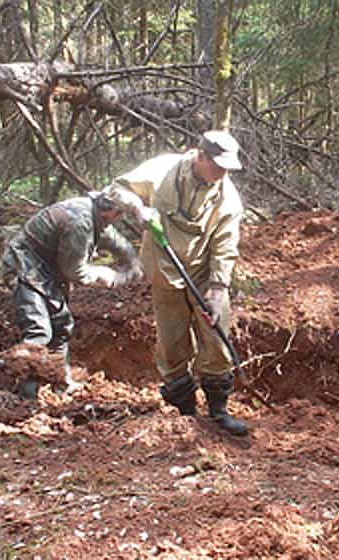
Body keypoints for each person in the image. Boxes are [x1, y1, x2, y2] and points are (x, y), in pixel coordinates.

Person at [103, 130, 248, 436]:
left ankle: (218, 411)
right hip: (163, 270)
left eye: (227, 168)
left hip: (204, 274)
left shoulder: (228, 200)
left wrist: (218, 289)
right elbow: (116, 189)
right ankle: (185, 412)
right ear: (200, 156)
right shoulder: (162, 171)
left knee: (217, 337)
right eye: (217, 165)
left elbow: (225, 246)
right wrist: (139, 208)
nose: (222, 174)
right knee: (172, 342)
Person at [3, 193, 141, 400]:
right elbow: (74, 272)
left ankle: (60, 382)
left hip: (48, 271)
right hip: (25, 266)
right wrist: (104, 273)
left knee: (61, 326)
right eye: (119, 214)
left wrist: (133, 263)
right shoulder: (81, 221)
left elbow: (115, 240)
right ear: (111, 211)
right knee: (38, 331)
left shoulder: (96, 216)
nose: (119, 218)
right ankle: (27, 395)